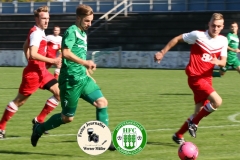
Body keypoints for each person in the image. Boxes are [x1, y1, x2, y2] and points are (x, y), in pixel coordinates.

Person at [30, 4, 115, 151]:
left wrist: (87, 73)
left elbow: (79, 55)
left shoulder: (83, 33)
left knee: (102, 102)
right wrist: (85, 62)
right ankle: (39, 128)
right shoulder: (72, 31)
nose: (89, 24)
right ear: (78, 18)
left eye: (91, 21)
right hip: (70, 81)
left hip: (83, 78)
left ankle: (105, 139)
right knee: (67, 118)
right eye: (87, 21)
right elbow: (67, 53)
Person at [154, 13, 228, 144]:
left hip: (207, 78)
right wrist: (162, 52)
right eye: (213, 25)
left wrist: (217, 61)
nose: (215, 28)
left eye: (218, 26)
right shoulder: (198, 35)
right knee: (217, 101)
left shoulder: (223, 41)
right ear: (208, 24)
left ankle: (178, 134)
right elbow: (177, 39)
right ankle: (194, 123)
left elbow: (223, 62)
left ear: (222, 27)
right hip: (195, 77)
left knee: (199, 111)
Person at [0, 6, 61, 138]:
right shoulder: (36, 33)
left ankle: (38, 120)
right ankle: (1, 128)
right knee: (19, 102)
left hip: (42, 71)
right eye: (43, 18)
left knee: (59, 93)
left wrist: (31, 61)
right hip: (33, 74)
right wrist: (53, 61)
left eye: (48, 18)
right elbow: (33, 53)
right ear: (36, 18)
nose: (46, 21)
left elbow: (25, 46)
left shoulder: (39, 32)